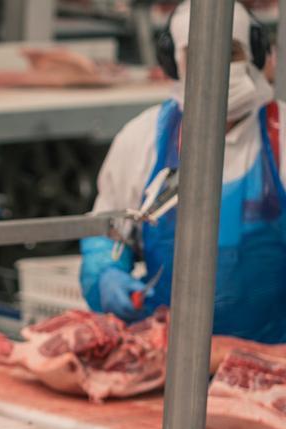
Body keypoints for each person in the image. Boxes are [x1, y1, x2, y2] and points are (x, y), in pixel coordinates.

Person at [81, 0, 286, 343]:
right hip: (163, 355)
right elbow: (108, 230)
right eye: (198, 53)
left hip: (270, 367)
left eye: (230, 52)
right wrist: (105, 273)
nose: (215, 64)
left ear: (256, 52)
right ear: (174, 63)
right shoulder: (141, 138)